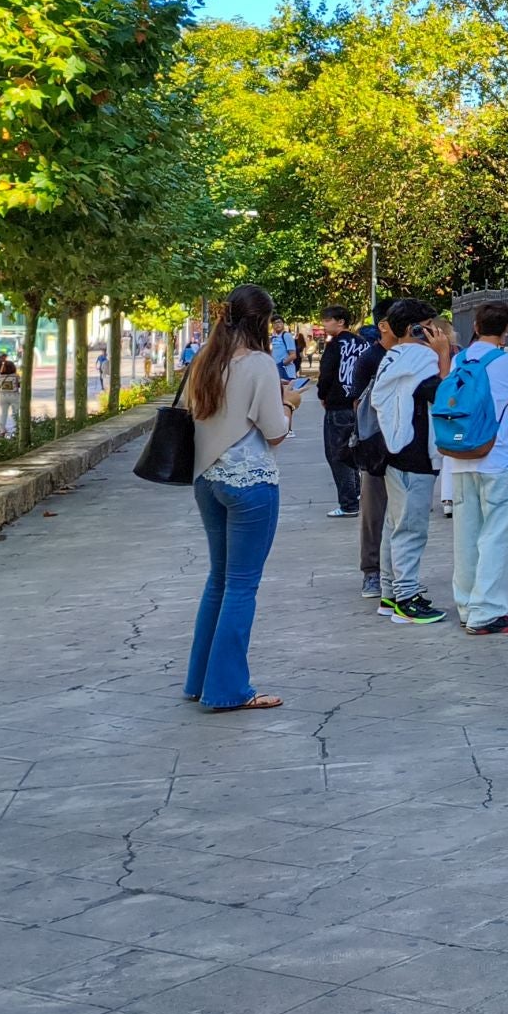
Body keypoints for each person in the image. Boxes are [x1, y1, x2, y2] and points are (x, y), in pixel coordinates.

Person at [182, 284, 299, 711]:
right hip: (250, 482)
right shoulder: (261, 364)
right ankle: (228, 689)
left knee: (218, 580)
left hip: (206, 479)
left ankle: (200, 679)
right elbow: (275, 432)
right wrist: (291, 404)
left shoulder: (202, 362)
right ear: (261, 322)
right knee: (242, 586)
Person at [447, 301, 508, 636]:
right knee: (497, 534)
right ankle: (487, 610)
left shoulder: (460, 359)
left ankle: (466, 604)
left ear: (475, 325)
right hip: (495, 455)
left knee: (466, 535)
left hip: (459, 456)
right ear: (507, 329)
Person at [370, 299, 450, 624]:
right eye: (429, 325)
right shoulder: (420, 357)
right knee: (411, 529)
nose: (435, 331)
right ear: (414, 329)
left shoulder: (393, 356)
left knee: (394, 525)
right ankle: (407, 598)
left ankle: (391, 594)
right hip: (414, 454)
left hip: (394, 452)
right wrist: (444, 355)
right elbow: (444, 397)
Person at [348, 308, 392, 597]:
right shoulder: (370, 358)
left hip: (406, 446)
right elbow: (357, 403)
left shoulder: (412, 355)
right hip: (376, 444)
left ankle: (396, 573)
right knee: (373, 511)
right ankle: (372, 572)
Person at [316, 306, 370, 518]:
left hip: (338, 405)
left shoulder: (335, 345)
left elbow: (326, 373)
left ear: (340, 321)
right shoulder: (362, 343)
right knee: (352, 452)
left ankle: (348, 503)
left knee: (337, 455)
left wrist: (322, 395)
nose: (324, 324)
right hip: (358, 403)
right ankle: (357, 495)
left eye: (327, 320)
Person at [269, 317, 297, 383]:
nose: (277, 324)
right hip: (277, 371)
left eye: (279, 322)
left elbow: (293, 355)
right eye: (275, 323)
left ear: (283, 324)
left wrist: (280, 364)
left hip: (286, 372)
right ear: (272, 325)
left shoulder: (287, 335)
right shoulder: (273, 338)